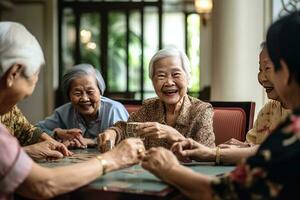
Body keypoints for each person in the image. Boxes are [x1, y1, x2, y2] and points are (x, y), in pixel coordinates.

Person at [141, 12, 300, 199]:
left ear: (286, 70)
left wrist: (169, 169)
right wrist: (211, 153)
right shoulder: (288, 122)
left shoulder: (293, 131)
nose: (264, 77)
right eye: (161, 76)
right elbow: (261, 150)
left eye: (270, 68)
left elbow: (227, 193)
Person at [0, 21, 145, 199]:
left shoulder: (113, 109)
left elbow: (27, 130)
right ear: (14, 73)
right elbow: (43, 185)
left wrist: (48, 141)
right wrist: (113, 159)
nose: (35, 83)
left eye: (90, 91)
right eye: (35, 74)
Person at [171, 43, 291, 165]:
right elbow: (251, 147)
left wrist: (212, 153)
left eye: (267, 68)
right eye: (260, 69)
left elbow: (279, 152)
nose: (262, 78)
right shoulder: (268, 110)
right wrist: (244, 147)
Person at [98, 48, 215, 151]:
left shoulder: (201, 111)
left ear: (188, 78)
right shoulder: (149, 108)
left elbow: (208, 153)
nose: (169, 82)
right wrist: (112, 133)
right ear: (153, 82)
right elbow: (126, 128)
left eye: (176, 74)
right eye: (161, 76)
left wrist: (174, 136)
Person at [37, 64, 129, 148]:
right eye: (77, 93)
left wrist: (92, 141)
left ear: (100, 92)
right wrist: (57, 134)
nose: (85, 99)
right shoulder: (64, 112)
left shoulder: (113, 110)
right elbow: (34, 131)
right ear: (69, 95)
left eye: (90, 92)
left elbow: (127, 139)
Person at [0, 105, 72, 160]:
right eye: (77, 93)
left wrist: (52, 142)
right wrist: (26, 151)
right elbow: (49, 178)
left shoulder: (11, 106)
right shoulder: (62, 111)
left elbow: (25, 129)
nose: (83, 98)